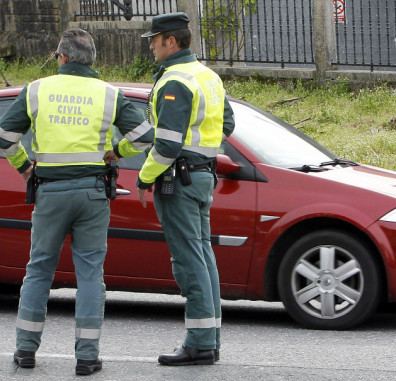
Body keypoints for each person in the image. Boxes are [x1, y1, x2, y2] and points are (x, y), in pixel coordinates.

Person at [0, 28, 153, 376]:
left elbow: (4, 137)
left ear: (62, 57)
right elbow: (145, 137)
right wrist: (116, 152)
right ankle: (87, 357)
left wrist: (24, 168)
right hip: (93, 193)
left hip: (50, 192)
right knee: (90, 274)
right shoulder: (108, 95)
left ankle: (25, 351)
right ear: (92, 60)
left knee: (39, 270)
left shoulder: (37, 90)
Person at [137, 12, 235, 366]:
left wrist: (144, 177)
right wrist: (202, 152)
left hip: (178, 178)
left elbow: (166, 145)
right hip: (202, 176)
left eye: (154, 39)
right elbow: (228, 123)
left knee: (188, 260)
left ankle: (199, 343)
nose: (151, 45)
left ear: (171, 42)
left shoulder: (175, 81)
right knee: (203, 257)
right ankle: (209, 339)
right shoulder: (207, 75)